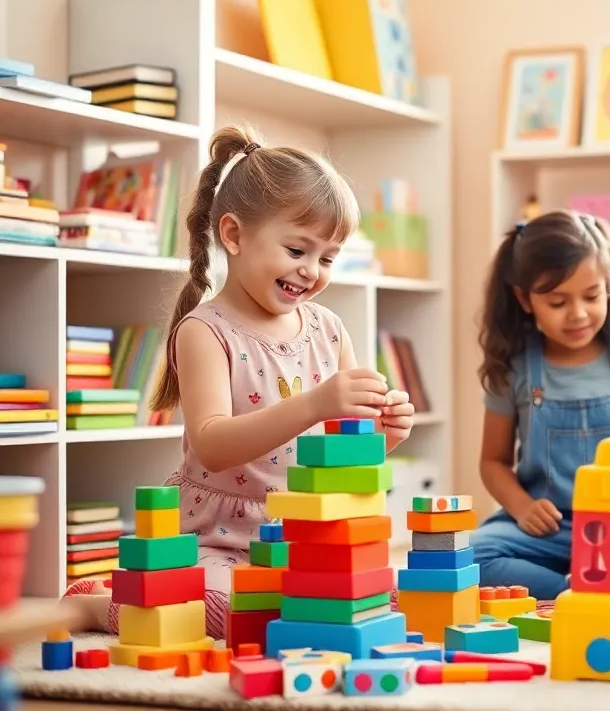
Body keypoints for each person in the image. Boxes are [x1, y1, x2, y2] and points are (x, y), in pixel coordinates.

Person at [61, 125, 415, 637]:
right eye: (298, 250)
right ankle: (98, 605)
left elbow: (342, 454)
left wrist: (387, 433)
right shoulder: (205, 330)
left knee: (383, 602)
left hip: (304, 537)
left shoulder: (328, 328)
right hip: (217, 539)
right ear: (233, 235)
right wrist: (317, 403)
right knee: (237, 617)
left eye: (328, 257)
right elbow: (212, 445)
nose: (312, 271)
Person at [473, 208, 610, 600]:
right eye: (557, 302)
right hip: (549, 529)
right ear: (525, 299)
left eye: (591, 296)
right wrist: (523, 507)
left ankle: (593, 580)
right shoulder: (514, 369)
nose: (578, 313)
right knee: (473, 555)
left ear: (609, 286)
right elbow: (492, 461)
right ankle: (580, 586)